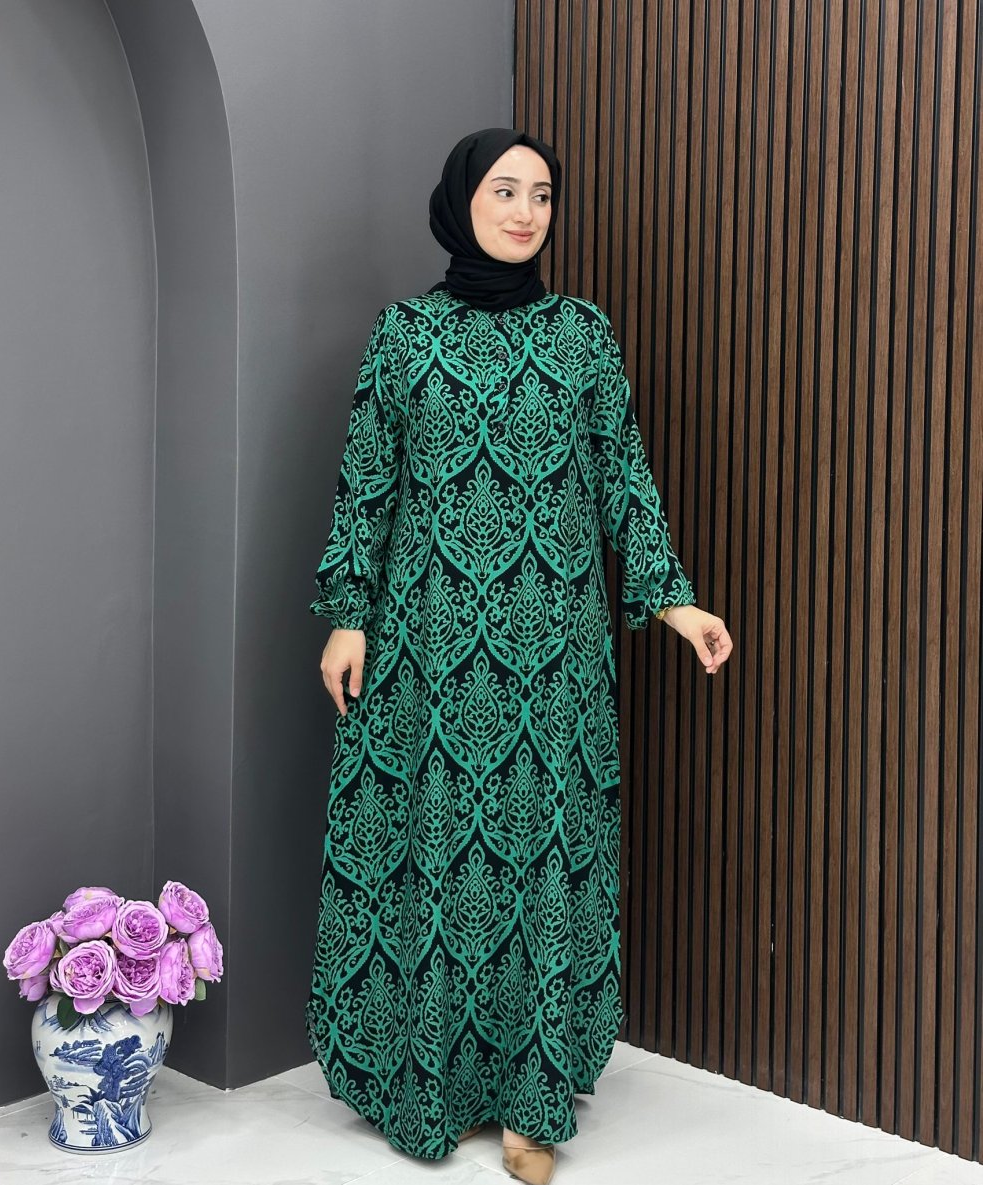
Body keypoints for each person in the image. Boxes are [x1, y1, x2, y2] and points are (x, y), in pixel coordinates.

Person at [305, 127, 733, 1184]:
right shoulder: (405, 334)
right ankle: (436, 1083)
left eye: (542, 195)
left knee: (540, 856)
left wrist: (674, 601)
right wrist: (348, 614)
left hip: (555, 650)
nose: (526, 212)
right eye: (505, 190)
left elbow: (622, 474)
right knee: (438, 850)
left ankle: (531, 1106)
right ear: (462, 201)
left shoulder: (581, 335)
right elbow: (368, 479)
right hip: (429, 645)